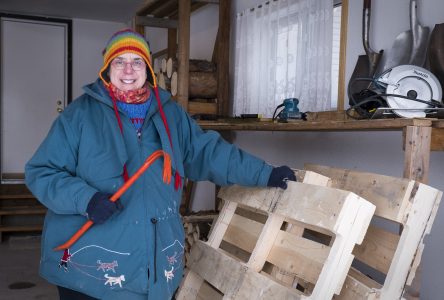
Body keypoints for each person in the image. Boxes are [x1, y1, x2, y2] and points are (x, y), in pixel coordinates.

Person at [25, 28, 296, 300]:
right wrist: (86, 200)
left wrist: (266, 174)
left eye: (137, 61)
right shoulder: (79, 115)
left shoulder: (171, 115)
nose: (128, 69)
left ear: (148, 69)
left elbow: (208, 153)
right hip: (91, 269)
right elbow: (42, 172)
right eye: (120, 61)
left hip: (153, 262)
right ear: (107, 68)